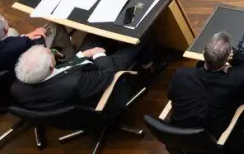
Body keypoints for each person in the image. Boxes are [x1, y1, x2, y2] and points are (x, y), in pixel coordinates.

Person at [11, 43, 144, 111]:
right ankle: (148, 63)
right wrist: (98, 55)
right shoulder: (75, 82)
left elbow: (61, 70)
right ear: (51, 67)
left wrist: (81, 56)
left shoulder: (17, 87)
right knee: (136, 42)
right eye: (51, 54)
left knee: (92, 39)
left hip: (69, 95)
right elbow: (107, 74)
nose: (52, 52)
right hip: (97, 91)